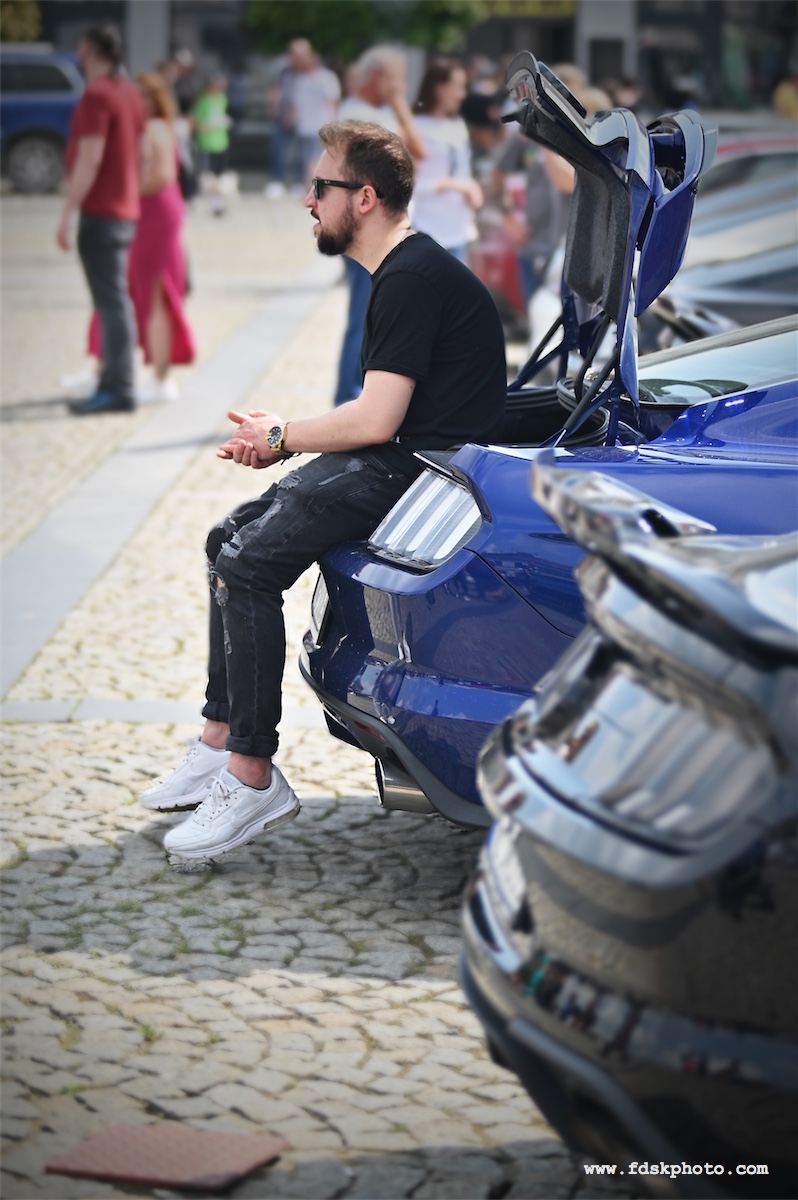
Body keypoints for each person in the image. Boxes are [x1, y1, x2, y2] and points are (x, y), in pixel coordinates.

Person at [142, 119, 507, 864]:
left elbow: (377, 420)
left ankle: (252, 774)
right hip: (402, 459)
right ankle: (218, 738)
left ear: (363, 198)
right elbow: (379, 416)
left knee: (246, 565)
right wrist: (282, 437)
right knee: (225, 542)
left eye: (320, 187)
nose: (308, 201)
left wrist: (281, 436)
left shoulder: (410, 277)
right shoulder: (404, 270)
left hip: (418, 475)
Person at [56, 23, 146, 415]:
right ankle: (113, 382)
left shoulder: (96, 94)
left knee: (111, 304)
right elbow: (142, 153)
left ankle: (118, 387)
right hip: (124, 210)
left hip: (102, 212)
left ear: (89, 49)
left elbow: (90, 157)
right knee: (115, 302)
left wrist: (67, 212)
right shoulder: (129, 92)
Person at [332, 46, 425, 407]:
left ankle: (356, 398)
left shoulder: (376, 113)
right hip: (366, 232)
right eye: (397, 78)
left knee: (372, 316)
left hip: (380, 231)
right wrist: (400, 102)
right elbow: (416, 154)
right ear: (377, 77)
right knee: (363, 317)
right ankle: (349, 399)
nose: (402, 86)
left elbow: (417, 152)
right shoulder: (357, 115)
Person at [126, 72, 196, 402]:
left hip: (154, 214)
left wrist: (123, 192)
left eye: (145, 95)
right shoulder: (156, 127)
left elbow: (162, 175)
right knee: (151, 294)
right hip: (153, 213)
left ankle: (161, 377)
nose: (138, 101)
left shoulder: (154, 128)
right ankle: (158, 374)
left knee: (157, 296)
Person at [411, 58, 482, 263]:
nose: (462, 95)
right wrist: (455, 185)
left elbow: (463, 173)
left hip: (459, 230)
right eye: (457, 87)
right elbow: (408, 184)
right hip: (427, 230)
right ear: (439, 87)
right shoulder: (415, 128)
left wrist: (470, 189)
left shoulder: (458, 125)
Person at [290, 39, 341, 186]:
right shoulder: (305, 79)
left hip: (318, 125)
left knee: (311, 158)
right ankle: (311, 184)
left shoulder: (323, 78)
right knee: (310, 158)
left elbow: (333, 102)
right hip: (310, 125)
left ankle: (310, 184)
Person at [192, 74, 231, 216]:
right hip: (206, 144)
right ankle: (215, 201)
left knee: (219, 176)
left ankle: (217, 202)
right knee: (207, 176)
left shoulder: (222, 99)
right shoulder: (202, 101)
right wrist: (206, 127)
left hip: (221, 142)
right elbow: (194, 121)